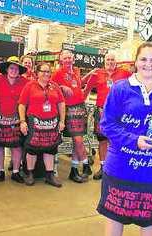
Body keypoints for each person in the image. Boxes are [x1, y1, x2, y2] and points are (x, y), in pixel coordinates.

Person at [97, 42, 152, 236]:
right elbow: (106, 124)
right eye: (143, 59)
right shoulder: (120, 89)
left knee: (149, 221)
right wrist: (134, 140)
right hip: (121, 168)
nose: (148, 64)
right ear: (136, 62)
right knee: (115, 218)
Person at [83, 53, 131, 180]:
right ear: (104, 61)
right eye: (108, 60)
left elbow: (135, 88)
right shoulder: (97, 74)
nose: (110, 62)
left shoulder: (125, 74)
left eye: (112, 60)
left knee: (116, 139)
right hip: (101, 111)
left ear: (116, 62)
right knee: (102, 139)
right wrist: (80, 104)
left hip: (119, 112)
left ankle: (117, 166)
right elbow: (87, 89)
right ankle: (103, 167)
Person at [19, 63, 65, 188]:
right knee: (31, 149)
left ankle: (49, 175)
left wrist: (62, 120)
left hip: (52, 123)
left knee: (50, 149)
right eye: (43, 71)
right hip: (34, 123)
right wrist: (22, 121)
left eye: (48, 71)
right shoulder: (30, 85)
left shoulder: (55, 86)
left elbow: (61, 103)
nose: (46, 74)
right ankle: (29, 174)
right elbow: (22, 104)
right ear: (37, 72)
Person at [52, 50, 91, 183]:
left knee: (77, 141)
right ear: (61, 60)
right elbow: (50, 86)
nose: (68, 60)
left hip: (80, 107)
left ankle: (74, 170)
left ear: (73, 59)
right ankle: (86, 165)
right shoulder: (57, 73)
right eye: (65, 58)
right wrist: (62, 86)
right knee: (78, 139)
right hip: (68, 109)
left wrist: (89, 75)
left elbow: (78, 84)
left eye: (70, 58)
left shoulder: (75, 71)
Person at [0, 56, 27, 183]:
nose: (14, 70)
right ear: (7, 69)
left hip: (16, 120)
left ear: (19, 71)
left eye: (16, 68)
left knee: (17, 146)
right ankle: (0, 171)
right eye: (11, 68)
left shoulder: (24, 82)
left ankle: (16, 172)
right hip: (0, 119)